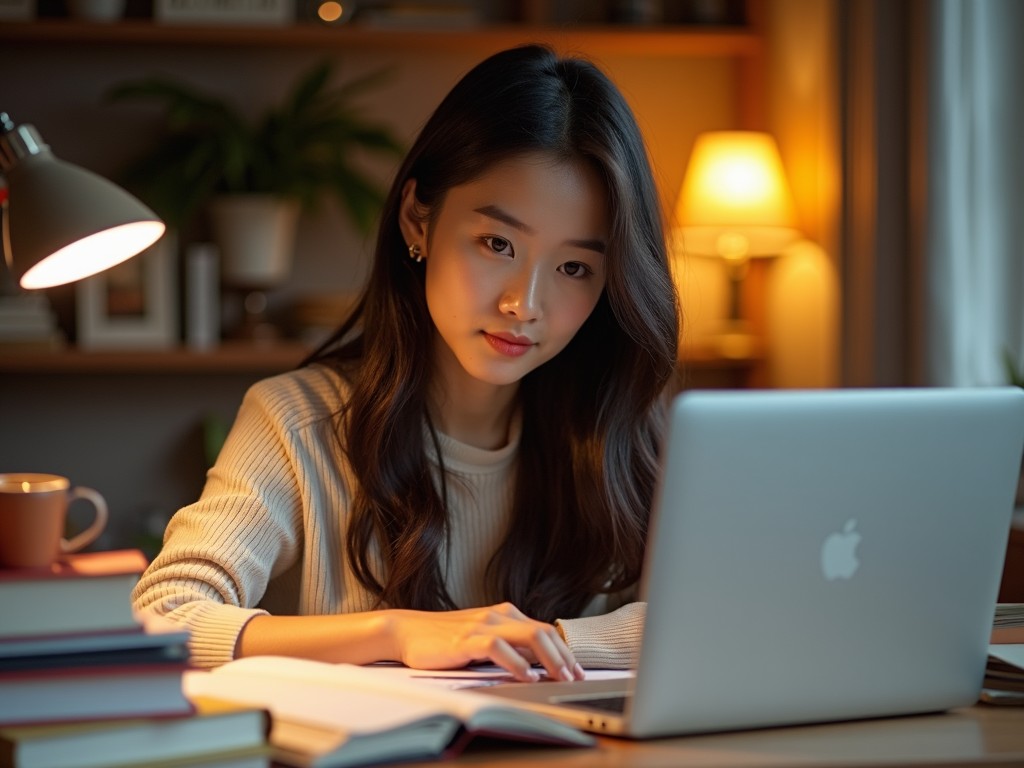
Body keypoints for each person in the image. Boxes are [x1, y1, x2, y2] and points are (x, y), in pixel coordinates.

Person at [132, 44, 680, 683]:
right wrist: (395, 630)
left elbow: (720, 615)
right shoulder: (298, 422)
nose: (523, 305)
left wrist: (537, 642)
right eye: (496, 243)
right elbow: (164, 616)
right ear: (418, 219)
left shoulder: (630, 431)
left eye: (573, 268)